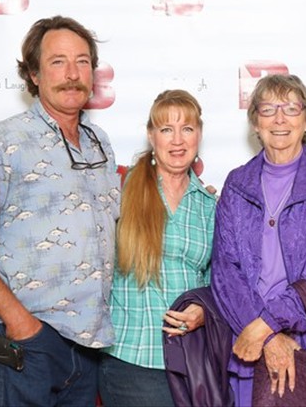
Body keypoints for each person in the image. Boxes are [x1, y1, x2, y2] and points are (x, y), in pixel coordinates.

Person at [0, 16, 121, 406]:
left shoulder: (99, 144)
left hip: (88, 346)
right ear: (34, 74)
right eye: (58, 62)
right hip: (28, 342)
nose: (72, 74)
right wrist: (20, 323)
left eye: (82, 62)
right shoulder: (2, 140)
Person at [211, 74, 306, 406]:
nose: (280, 119)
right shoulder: (237, 183)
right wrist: (265, 336)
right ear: (255, 122)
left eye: (291, 108)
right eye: (268, 109)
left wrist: (267, 325)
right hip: (249, 341)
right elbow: (225, 274)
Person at [98, 89, 216, 407]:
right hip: (134, 360)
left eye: (186, 128)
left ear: (199, 135)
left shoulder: (209, 205)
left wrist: (204, 311)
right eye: (166, 129)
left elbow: (217, 283)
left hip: (192, 362)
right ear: (152, 136)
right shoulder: (119, 191)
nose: (177, 140)